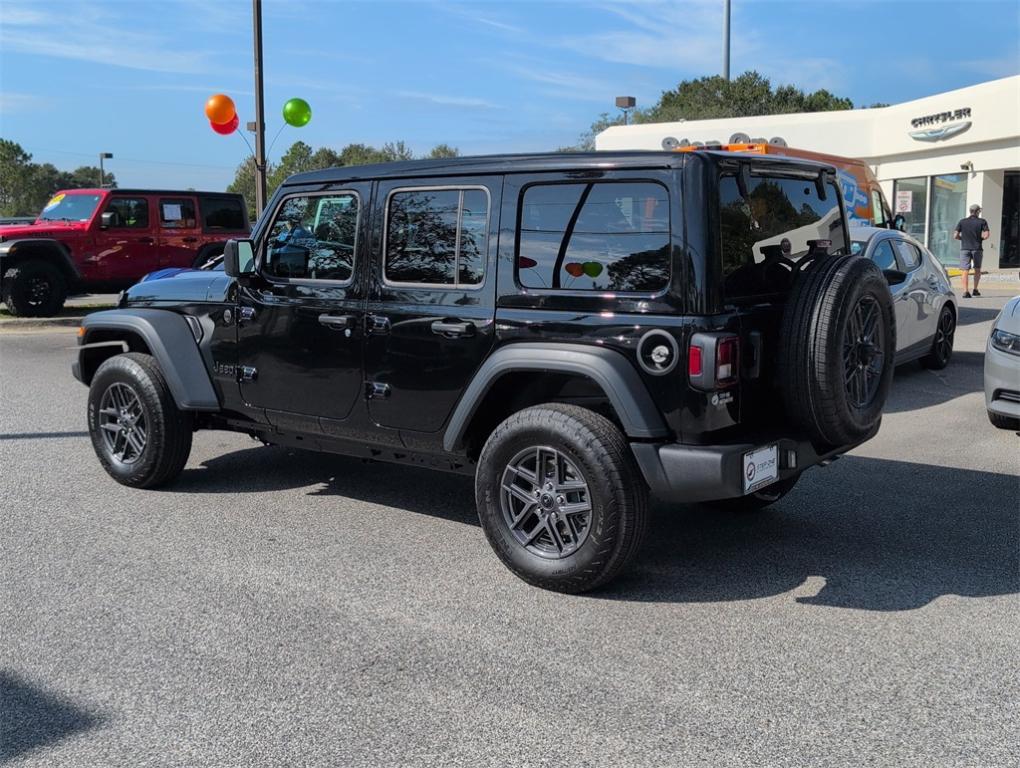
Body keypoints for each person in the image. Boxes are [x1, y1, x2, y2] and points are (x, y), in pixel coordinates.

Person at [953, 203, 990, 298]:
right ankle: (975, 290)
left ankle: (965, 292)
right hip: (977, 249)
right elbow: (986, 235)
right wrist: (980, 238)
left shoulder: (962, 221)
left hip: (965, 248)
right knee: (977, 269)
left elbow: (955, 235)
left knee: (965, 270)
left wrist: (962, 239)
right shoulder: (982, 221)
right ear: (977, 212)